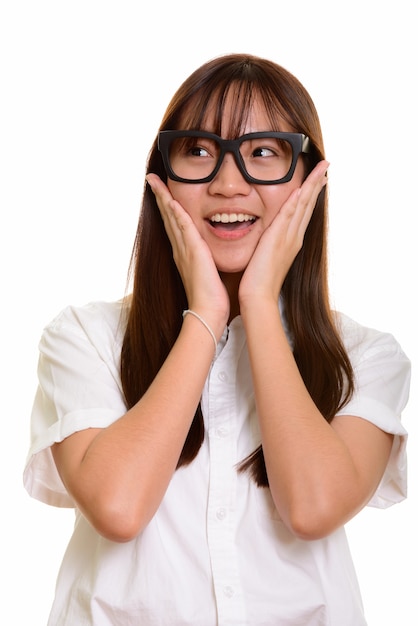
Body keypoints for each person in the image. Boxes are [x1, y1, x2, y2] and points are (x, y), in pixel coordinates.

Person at [24, 53, 410, 625]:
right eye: (200, 151)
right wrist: (206, 313)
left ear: (310, 181)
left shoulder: (365, 356)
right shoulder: (86, 337)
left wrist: (256, 303)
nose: (229, 184)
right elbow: (119, 507)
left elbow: (313, 508)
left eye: (264, 153)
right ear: (161, 177)